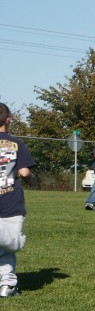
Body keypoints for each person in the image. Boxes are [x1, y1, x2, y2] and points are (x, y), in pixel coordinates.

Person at [0, 102, 36, 298]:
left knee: (4, 250)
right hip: (10, 200)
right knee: (11, 245)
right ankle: (7, 285)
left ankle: (7, 285)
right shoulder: (16, 143)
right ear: (8, 119)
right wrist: (30, 180)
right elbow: (24, 171)